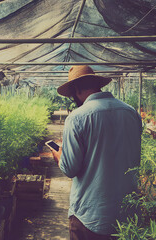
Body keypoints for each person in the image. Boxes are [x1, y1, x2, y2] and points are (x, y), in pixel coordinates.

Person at [50, 65, 142, 240]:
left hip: (90, 215)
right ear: (96, 84)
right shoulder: (131, 113)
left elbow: (70, 168)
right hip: (128, 213)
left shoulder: (77, 118)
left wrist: (59, 155)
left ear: (76, 89)